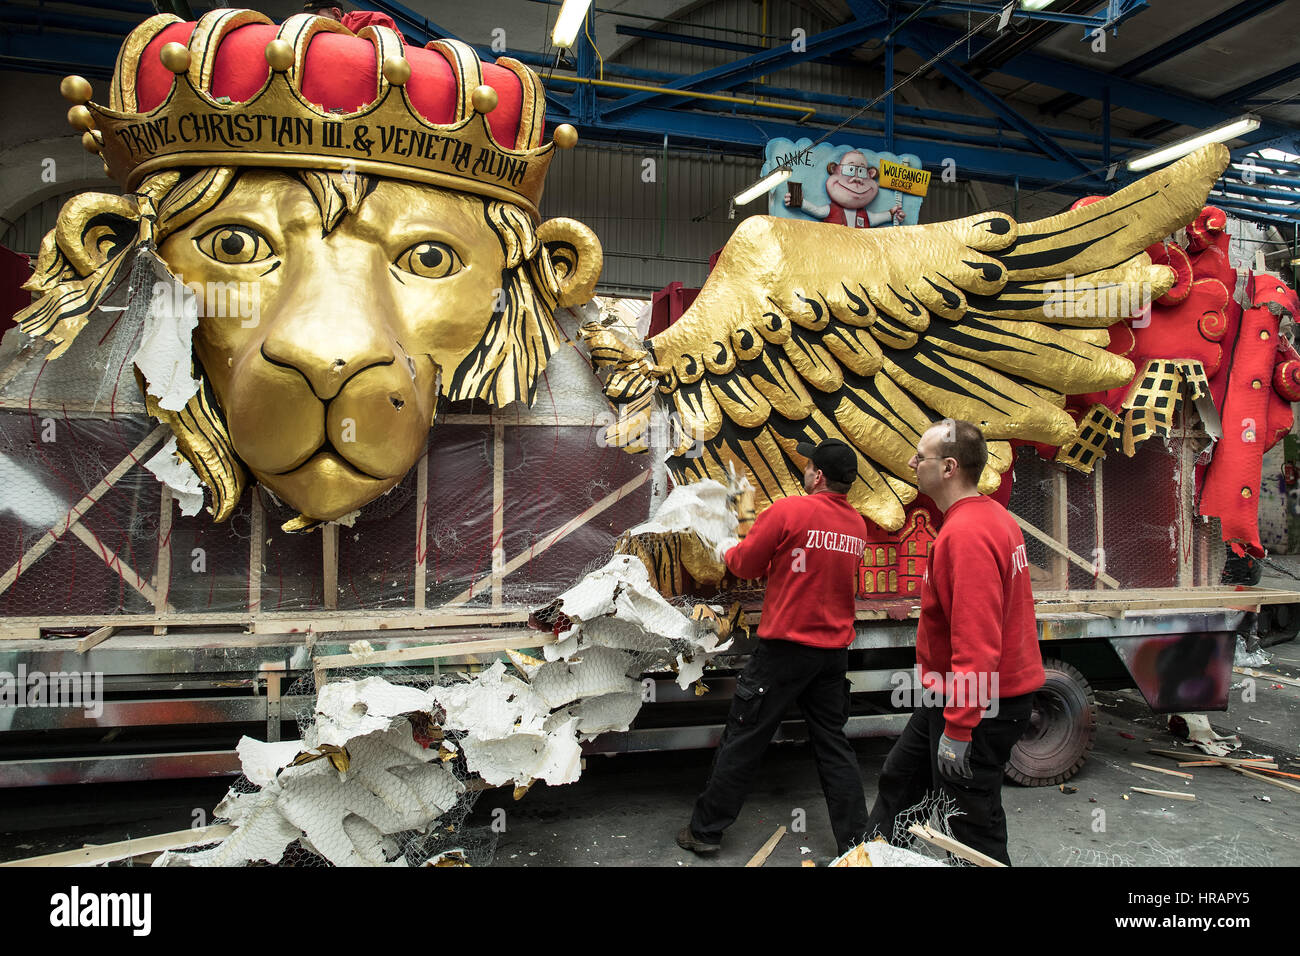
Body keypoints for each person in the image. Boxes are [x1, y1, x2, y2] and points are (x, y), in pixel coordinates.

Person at [677, 438, 870, 857]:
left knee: (745, 738)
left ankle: (706, 831)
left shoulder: (790, 511)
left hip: (784, 651)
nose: (804, 471)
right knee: (834, 745)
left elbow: (747, 564)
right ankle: (856, 843)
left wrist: (729, 547)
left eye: (807, 466)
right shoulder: (857, 526)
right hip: (832, 653)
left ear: (817, 475)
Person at [865, 419, 1044, 865]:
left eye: (919, 457)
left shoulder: (966, 535)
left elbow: (978, 642)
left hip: (980, 705)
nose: (911, 462)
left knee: (970, 824)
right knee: (900, 783)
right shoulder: (987, 518)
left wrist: (960, 729)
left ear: (948, 468)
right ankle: (872, 858)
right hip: (955, 696)